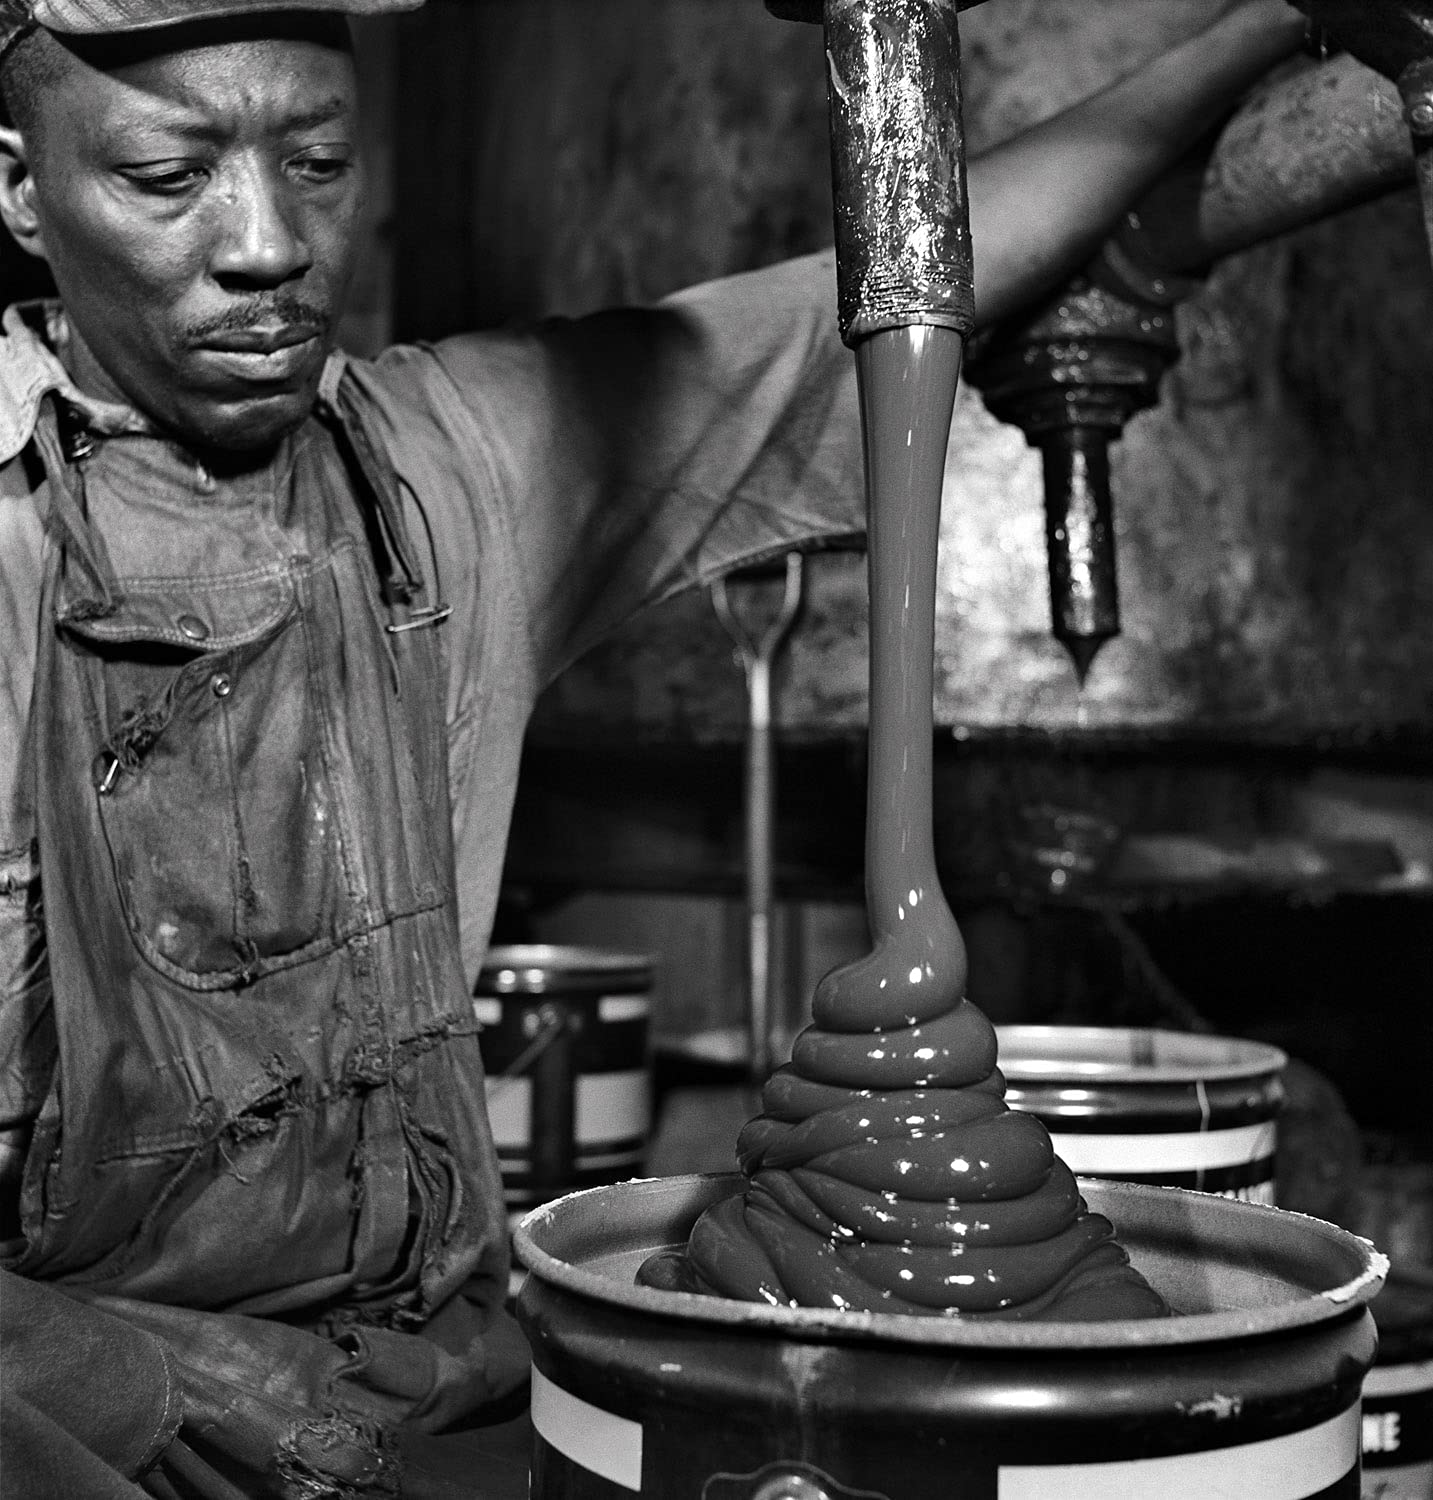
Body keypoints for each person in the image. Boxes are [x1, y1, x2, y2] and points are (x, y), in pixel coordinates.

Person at [0, 0, 1304, 1495]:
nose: (266, 245)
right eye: (169, 178)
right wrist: (126, 1380)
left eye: (317, 161)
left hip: (429, 1398)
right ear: (23, 191)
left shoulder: (446, 468)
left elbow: (882, 290)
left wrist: (1259, 25)